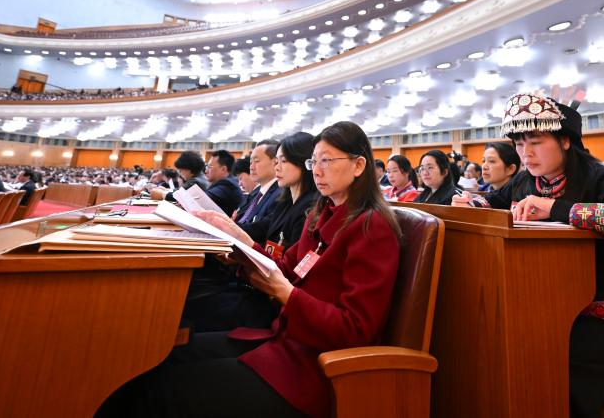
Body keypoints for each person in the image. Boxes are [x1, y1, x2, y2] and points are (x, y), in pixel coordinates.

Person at [99, 121, 402, 418]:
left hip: (310, 369)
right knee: (159, 359)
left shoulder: (371, 228)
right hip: (281, 341)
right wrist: (241, 241)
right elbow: (285, 268)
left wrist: (286, 293)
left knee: (162, 391)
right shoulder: (321, 214)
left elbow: (355, 329)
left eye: (327, 161)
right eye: (314, 161)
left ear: (358, 165)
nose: (317, 170)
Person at [479, 93, 604, 417]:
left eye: (536, 142)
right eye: (519, 144)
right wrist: (471, 203)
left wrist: (555, 208)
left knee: (541, 357)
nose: (526, 153)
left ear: (566, 141)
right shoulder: (525, 180)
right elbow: (490, 202)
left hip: (603, 321)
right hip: (545, 309)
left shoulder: (601, 177)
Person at [184, 133, 320, 332]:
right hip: (255, 282)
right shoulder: (285, 201)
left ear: (304, 163)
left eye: (284, 161)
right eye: (276, 161)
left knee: (194, 310)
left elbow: (288, 270)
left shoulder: (309, 209)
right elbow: (261, 231)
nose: (277, 167)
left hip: (269, 298)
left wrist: (238, 244)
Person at [235, 140, 282, 225]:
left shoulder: (280, 195)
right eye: (251, 162)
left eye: (256, 161)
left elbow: (262, 229)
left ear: (275, 162)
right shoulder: (257, 193)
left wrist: (230, 226)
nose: (251, 167)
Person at [204, 150, 244, 214]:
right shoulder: (229, 181)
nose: (206, 171)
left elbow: (201, 198)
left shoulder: (228, 185)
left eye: (209, 167)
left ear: (223, 169)